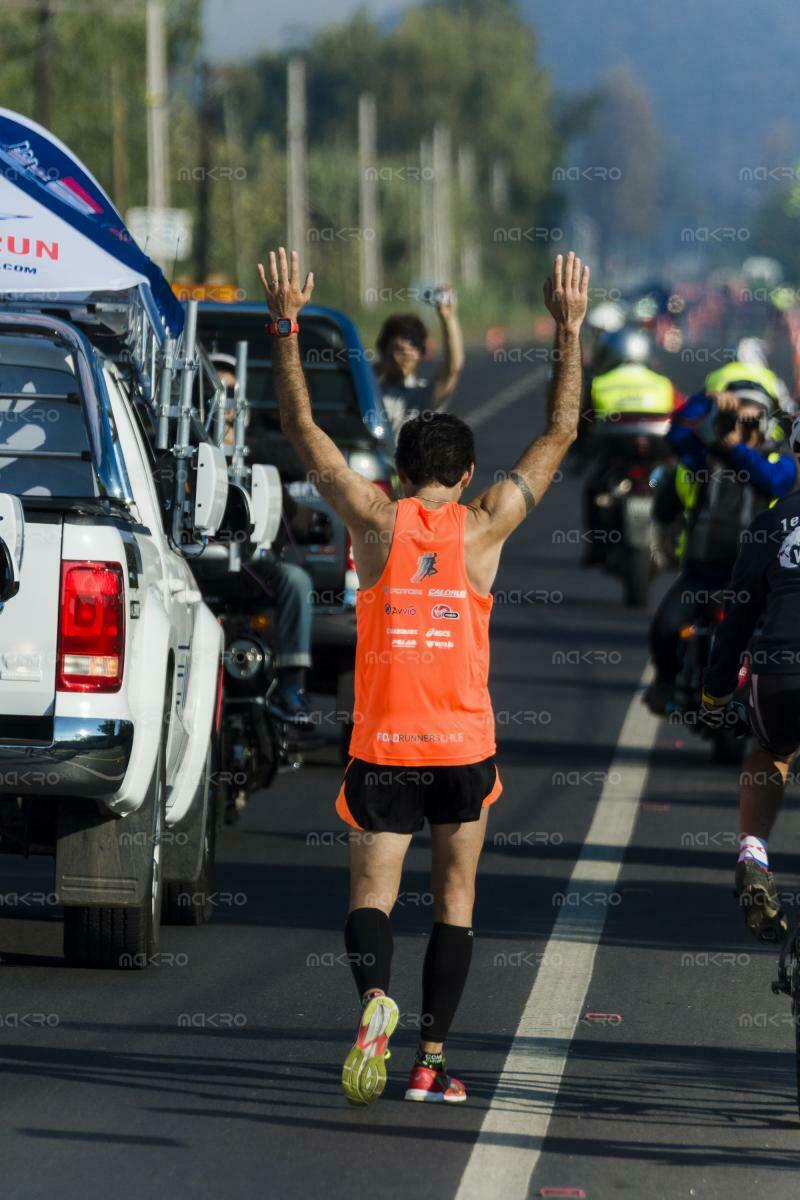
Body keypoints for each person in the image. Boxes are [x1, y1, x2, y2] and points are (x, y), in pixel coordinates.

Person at [258, 246, 590, 1106]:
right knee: (456, 899)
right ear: (469, 475)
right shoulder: (486, 527)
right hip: (462, 749)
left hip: (383, 746)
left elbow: (304, 433)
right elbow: (560, 432)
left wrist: (287, 323)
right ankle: (432, 1062)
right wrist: (568, 330)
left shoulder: (374, 521)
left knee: (373, 894)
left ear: (401, 473)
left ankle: (376, 1000)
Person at [644, 365, 797, 715]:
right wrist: (705, 402)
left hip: (760, 580)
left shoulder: (779, 462)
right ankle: (666, 681)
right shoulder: (704, 459)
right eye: (735, 413)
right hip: (704, 574)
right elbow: (676, 436)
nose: (742, 425)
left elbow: (771, 482)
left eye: (751, 416)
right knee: (665, 629)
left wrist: (731, 447)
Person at [700, 411, 800, 942]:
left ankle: (754, 853)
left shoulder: (770, 521)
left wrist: (716, 692)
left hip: (780, 670)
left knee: (770, 751)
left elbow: (736, 616)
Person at [211, 353, 321, 725]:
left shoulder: (258, 450)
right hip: (194, 566)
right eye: (217, 390)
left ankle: (290, 687)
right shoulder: (176, 448)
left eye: (230, 393)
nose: (223, 401)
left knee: (296, 579)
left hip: (250, 566)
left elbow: (299, 478)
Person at [581, 325, 678, 562]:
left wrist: (580, 451)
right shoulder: (662, 382)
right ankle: (675, 542)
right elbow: (680, 415)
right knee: (676, 486)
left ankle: (596, 547)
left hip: (617, 447)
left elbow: (586, 421)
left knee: (594, 488)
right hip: (659, 447)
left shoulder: (600, 382)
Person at [375, 287, 465, 440]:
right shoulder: (369, 390)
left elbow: (453, 368)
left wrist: (448, 319)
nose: (403, 357)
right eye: (397, 350)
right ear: (384, 349)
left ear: (420, 354)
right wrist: (382, 365)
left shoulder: (423, 394)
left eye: (412, 349)